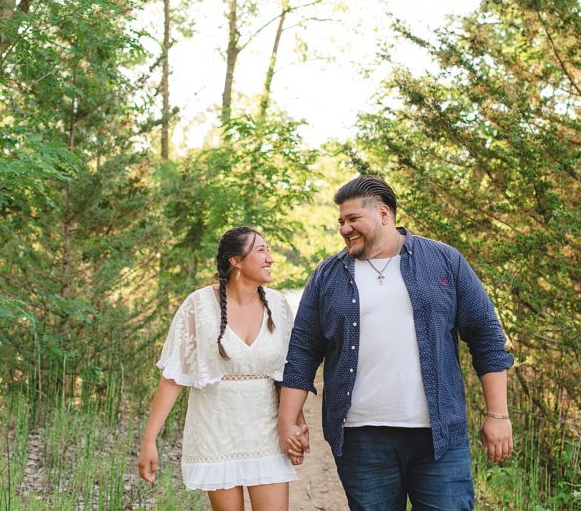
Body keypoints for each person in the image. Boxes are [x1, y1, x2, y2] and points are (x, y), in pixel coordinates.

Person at [277, 176, 514, 511]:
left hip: (439, 437)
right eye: (341, 221)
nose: (345, 228)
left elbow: (487, 337)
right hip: (361, 439)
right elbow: (302, 350)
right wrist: (289, 420)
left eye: (353, 219)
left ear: (384, 214)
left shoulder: (444, 261)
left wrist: (497, 415)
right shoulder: (328, 275)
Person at [138, 226, 309, 511]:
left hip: (265, 432)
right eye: (261, 250)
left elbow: (287, 374)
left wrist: (295, 425)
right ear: (236, 260)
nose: (270, 258)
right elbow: (172, 377)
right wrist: (149, 440)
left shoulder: (278, 305)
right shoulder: (198, 306)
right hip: (215, 432)